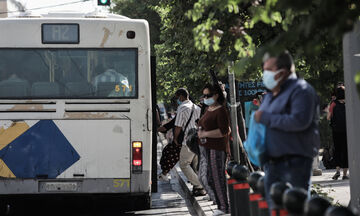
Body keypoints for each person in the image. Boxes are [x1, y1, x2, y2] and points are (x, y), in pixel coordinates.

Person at [254, 51, 320, 210]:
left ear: (282, 71)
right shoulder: (272, 94)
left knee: (294, 210)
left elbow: (299, 121)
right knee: (276, 210)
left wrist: (266, 118)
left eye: (268, 69)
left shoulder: (301, 90)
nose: (265, 74)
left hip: (294, 163)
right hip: (272, 163)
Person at [198, 83, 231, 215]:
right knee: (206, 178)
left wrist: (205, 134)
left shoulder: (220, 110)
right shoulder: (208, 109)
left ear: (216, 95)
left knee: (217, 178)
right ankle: (220, 204)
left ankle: (224, 207)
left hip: (216, 148)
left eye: (208, 95)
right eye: (204, 95)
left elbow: (224, 131)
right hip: (205, 147)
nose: (206, 98)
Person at [173, 88, 205, 196]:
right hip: (198, 139)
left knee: (184, 164)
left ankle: (200, 185)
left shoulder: (181, 108)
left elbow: (178, 126)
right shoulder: (196, 107)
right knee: (195, 165)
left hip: (188, 141)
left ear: (181, 96)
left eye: (178, 98)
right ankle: (199, 189)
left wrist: (175, 138)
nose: (178, 100)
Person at [328, 86, 348, 180]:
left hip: (336, 131)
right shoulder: (348, 103)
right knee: (346, 150)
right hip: (347, 131)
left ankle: (337, 171)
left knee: (337, 150)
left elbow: (328, 117)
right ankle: (345, 174)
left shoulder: (333, 104)